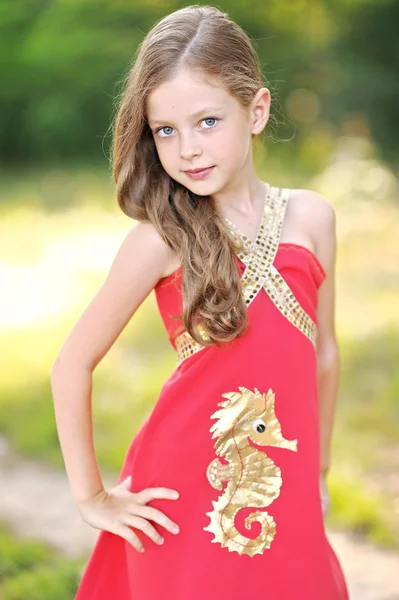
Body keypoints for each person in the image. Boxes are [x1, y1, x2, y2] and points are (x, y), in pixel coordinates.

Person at [50, 5, 349, 599]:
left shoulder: (313, 217)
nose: (188, 148)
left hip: (277, 477)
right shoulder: (160, 239)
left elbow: (325, 354)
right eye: (166, 130)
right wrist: (91, 496)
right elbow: (71, 365)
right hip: (183, 492)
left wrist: (315, 471)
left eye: (207, 121)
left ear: (256, 111)